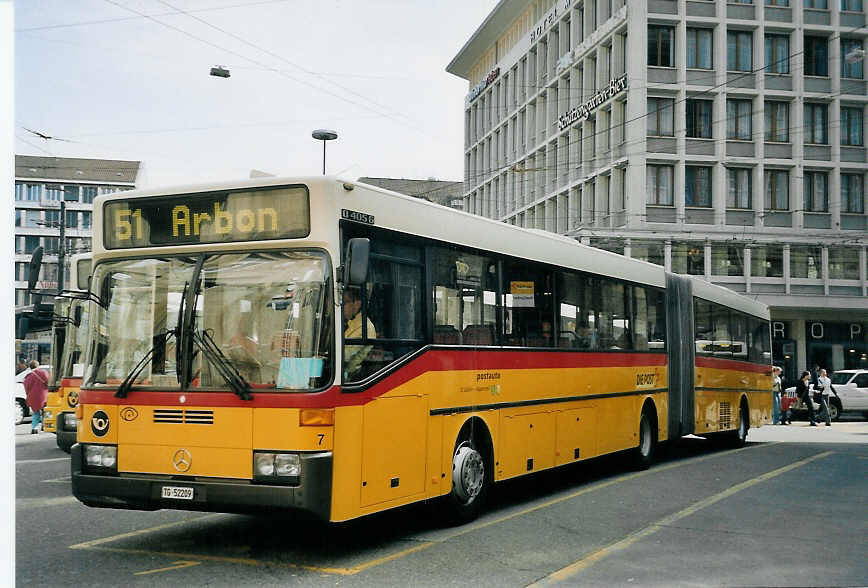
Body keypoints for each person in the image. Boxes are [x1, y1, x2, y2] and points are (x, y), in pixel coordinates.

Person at [343, 288, 376, 380]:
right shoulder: (351, 323)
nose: (341, 307)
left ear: (357, 304)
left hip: (353, 378)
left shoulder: (364, 327)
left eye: (344, 303)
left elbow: (344, 356)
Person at [23, 360, 49, 434]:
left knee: (36, 413)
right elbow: (48, 382)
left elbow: (26, 388)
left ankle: (34, 428)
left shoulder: (27, 376)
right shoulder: (43, 372)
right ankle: (44, 426)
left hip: (32, 397)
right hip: (43, 396)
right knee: (45, 411)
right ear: (38, 366)